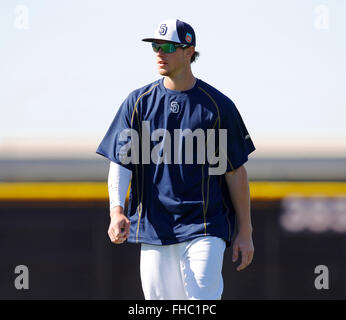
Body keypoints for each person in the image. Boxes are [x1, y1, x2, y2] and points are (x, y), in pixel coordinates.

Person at [96, 19, 256, 300]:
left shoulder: (218, 106)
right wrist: (116, 210)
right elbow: (121, 162)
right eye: (156, 46)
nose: (160, 53)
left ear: (188, 50)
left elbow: (235, 173)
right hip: (154, 227)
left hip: (204, 225)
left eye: (168, 46)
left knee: (201, 301)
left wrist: (245, 230)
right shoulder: (138, 102)